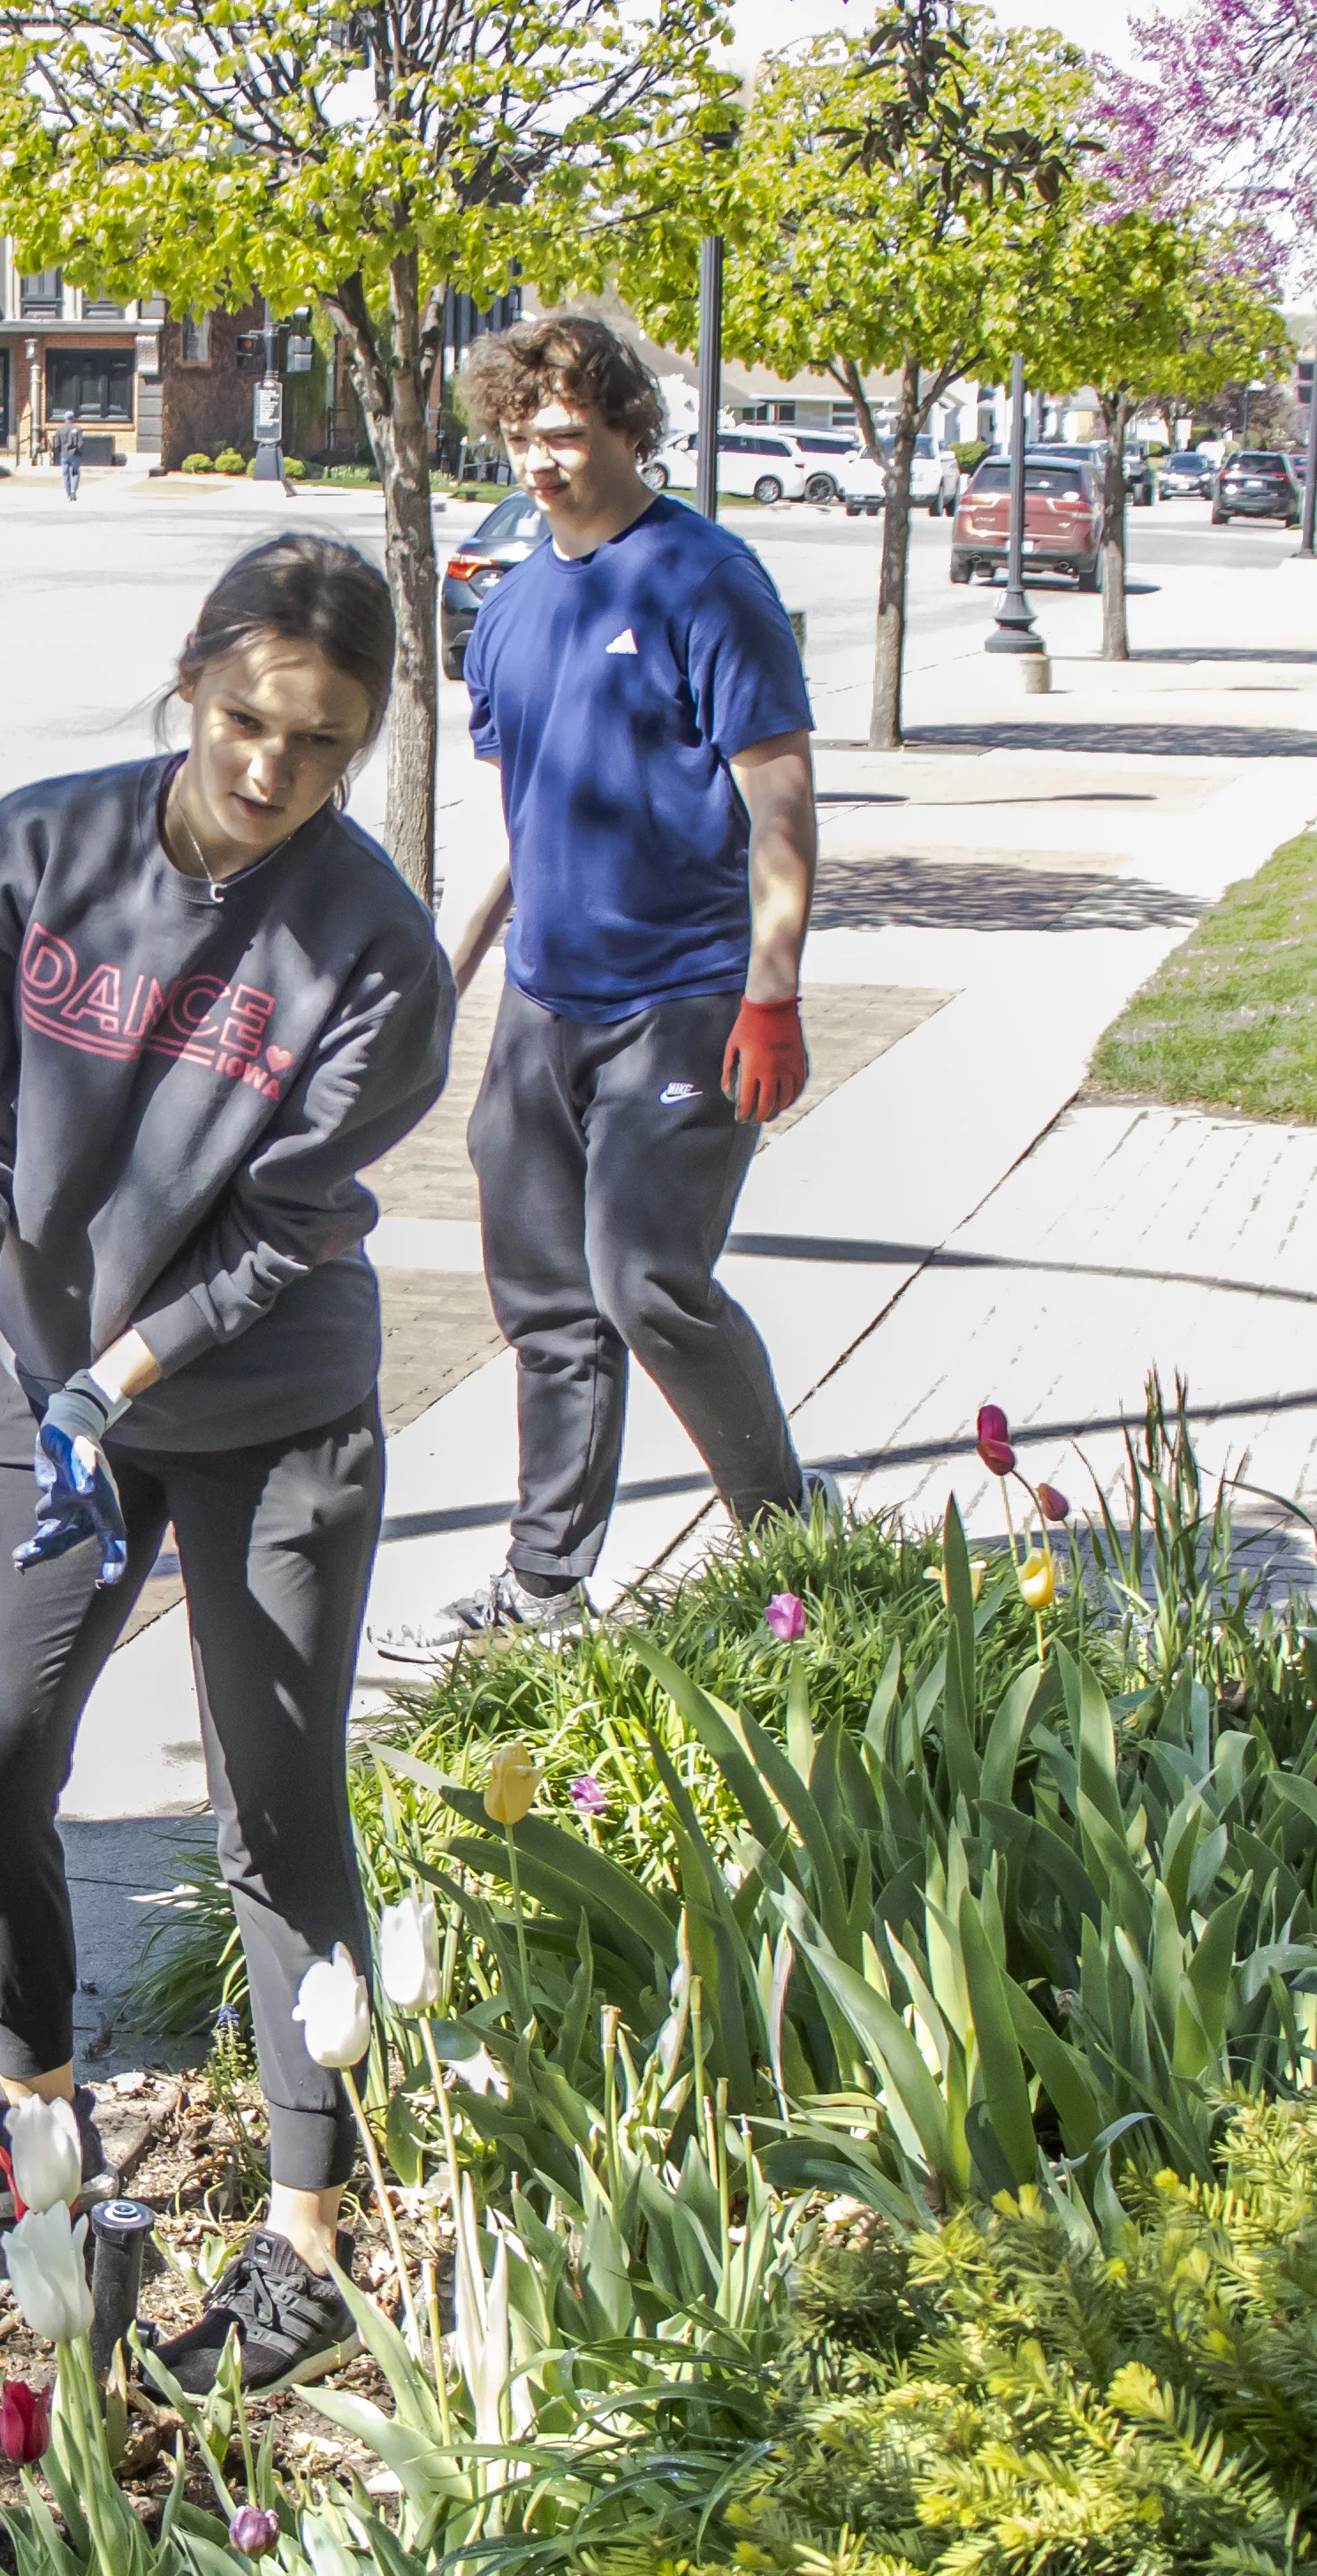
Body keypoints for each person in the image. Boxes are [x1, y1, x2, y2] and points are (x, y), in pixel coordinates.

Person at [0, 536, 452, 2399]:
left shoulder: (370, 949)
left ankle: (306, 2238)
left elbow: (289, 1230)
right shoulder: (34, 857)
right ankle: (37, 2127)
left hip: (265, 1411)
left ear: (360, 749)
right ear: (193, 677)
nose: (270, 765)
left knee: (273, 1810)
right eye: (250, 716)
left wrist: (121, 1370)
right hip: (52, 1391)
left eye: (321, 743)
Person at [384, 314, 819, 1660]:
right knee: (547, 1304)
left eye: (568, 433)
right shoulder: (510, 608)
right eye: (523, 437)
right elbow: (531, 826)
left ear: (632, 426)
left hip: (685, 996)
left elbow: (782, 802)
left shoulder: (704, 580)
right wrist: (446, 981)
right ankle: (546, 1583)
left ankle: (797, 1550)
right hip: (543, 1005)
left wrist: (773, 991)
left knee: (646, 1281)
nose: (545, 461)